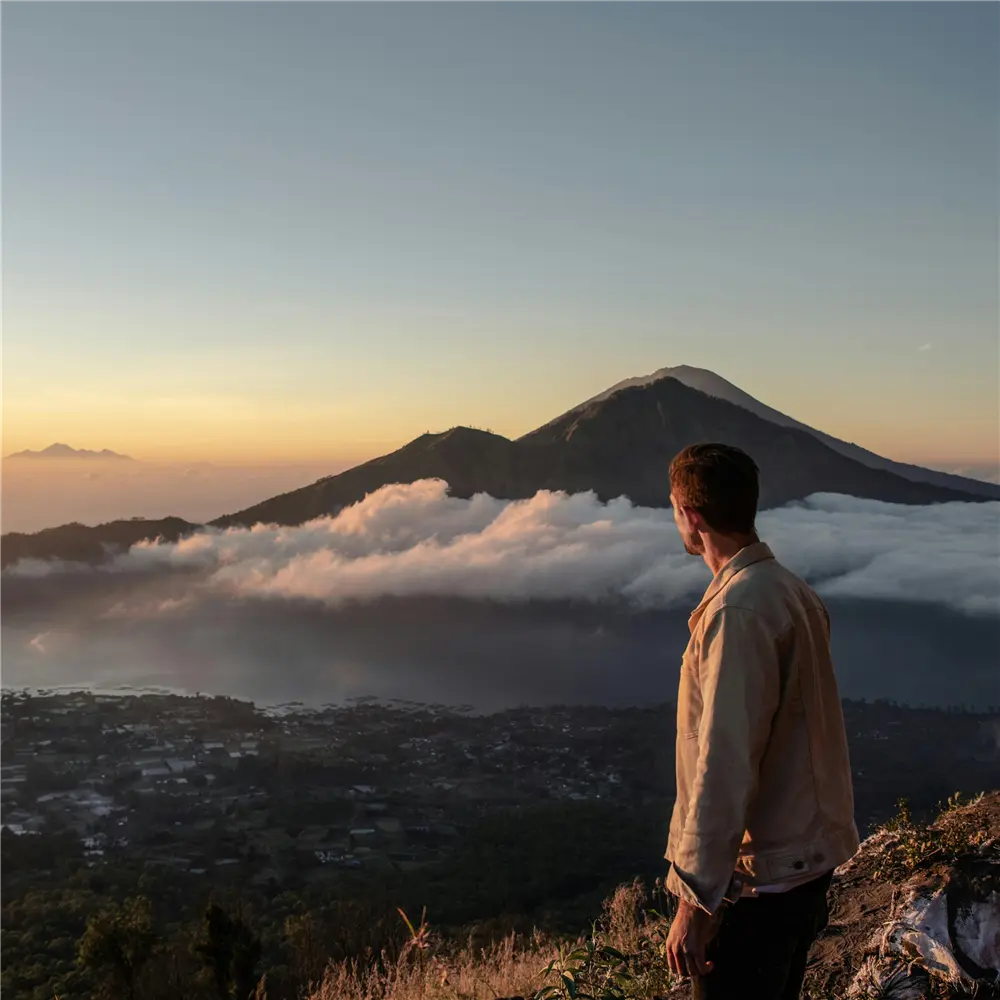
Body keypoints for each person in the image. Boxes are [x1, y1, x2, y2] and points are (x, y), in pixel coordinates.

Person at [662, 443, 859, 999]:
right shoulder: (790, 590)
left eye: (674, 509)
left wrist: (695, 901)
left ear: (690, 515)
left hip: (761, 884)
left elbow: (725, 764)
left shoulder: (737, 612)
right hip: (804, 866)